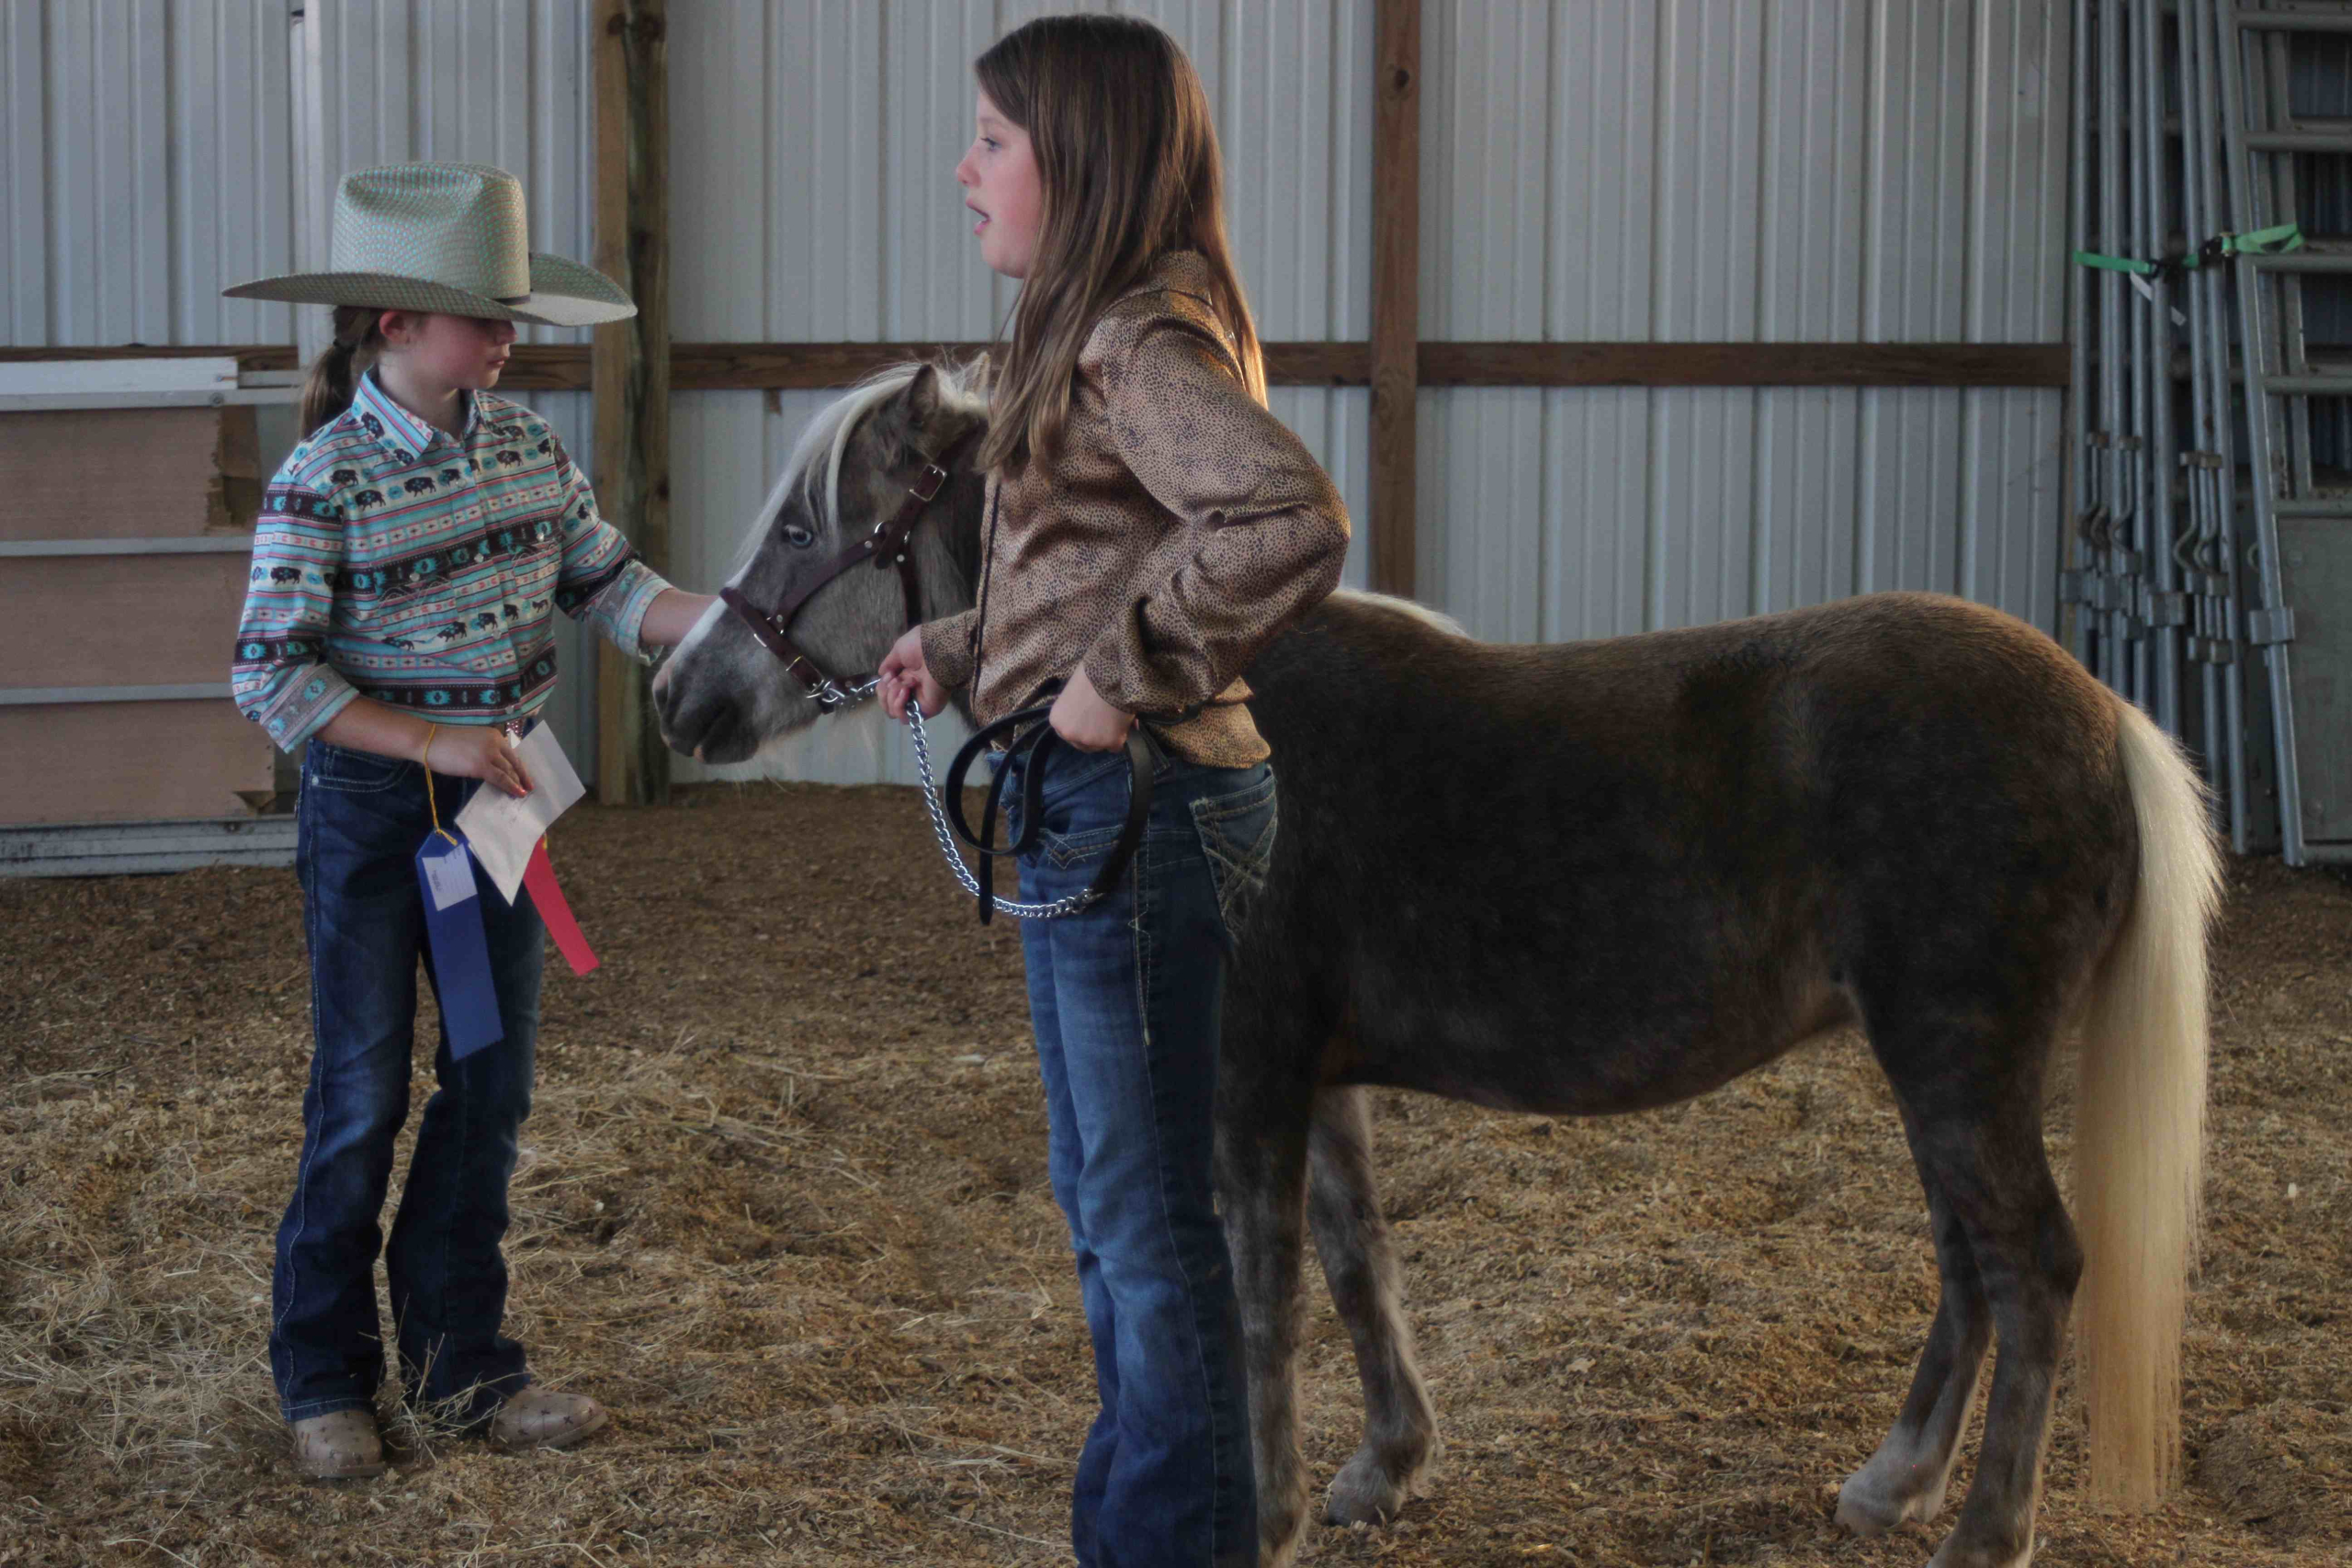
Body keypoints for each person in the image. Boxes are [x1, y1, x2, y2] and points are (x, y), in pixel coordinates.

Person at [876, 18, 1350, 1567]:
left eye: (994, 142)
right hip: (1102, 804)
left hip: (1134, 809)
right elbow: (1100, 556)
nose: (965, 168)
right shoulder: (1098, 334)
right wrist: (960, 649)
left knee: (1149, 1236)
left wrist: (1116, 674)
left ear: (1077, 165)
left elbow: (1285, 520)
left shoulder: (1136, 344)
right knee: (1111, 1206)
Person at [223, 163, 716, 1479]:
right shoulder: (320, 479)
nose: (507, 338)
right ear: (394, 325)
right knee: (363, 1093)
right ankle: (322, 1375)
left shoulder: (525, 452)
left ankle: (461, 1366)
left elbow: (610, 587)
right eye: (483, 317)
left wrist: (738, 623)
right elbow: (271, 672)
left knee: (487, 1083)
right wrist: (430, 737)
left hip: (493, 816)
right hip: (383, 817)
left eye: (509, 316)